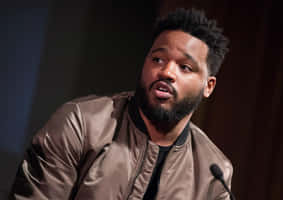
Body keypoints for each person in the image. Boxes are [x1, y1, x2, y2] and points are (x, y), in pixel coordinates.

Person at [9, 8, 233, 200]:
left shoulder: (214, 173)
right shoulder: (81, 124)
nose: (166, 72)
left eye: (185, 67)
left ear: (208, 86)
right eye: (158, 59)